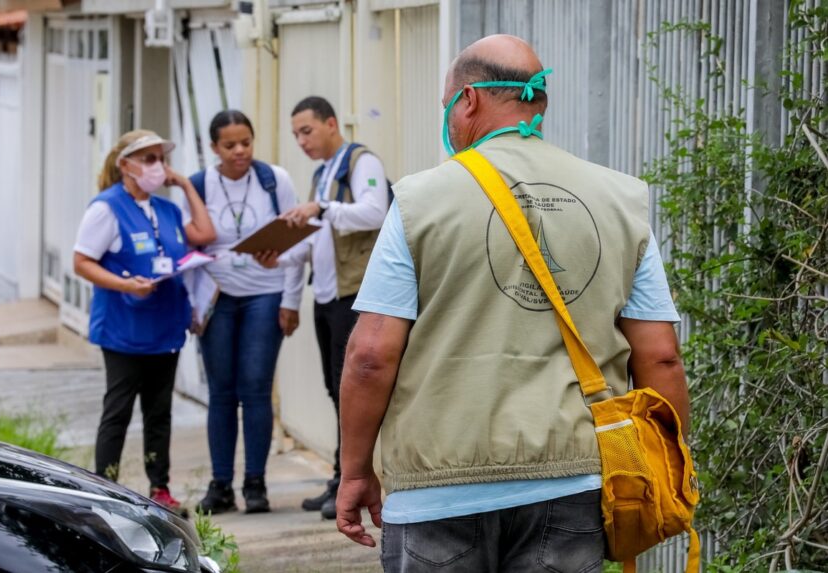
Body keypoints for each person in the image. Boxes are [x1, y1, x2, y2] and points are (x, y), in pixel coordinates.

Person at [335, 35, 692, 572]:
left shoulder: (417, 201)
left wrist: (356, 471)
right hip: (573, 481)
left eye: (448, 107)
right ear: (536, 102)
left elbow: (370, 356)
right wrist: (671, 466)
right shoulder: (621, 198)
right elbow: (661, 356)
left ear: (469, 100)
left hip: (438, 489)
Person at [74, 129, 216, 513]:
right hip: (123, 329)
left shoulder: (166, 209)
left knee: (159, 412)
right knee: (117, 411)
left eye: (162, 159)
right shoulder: (106, 207)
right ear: (126, 165)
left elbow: (205, 233)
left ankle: (160, 488)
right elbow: (81, 261)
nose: (159, 167)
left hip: (164, 329)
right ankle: (103, 487)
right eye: (150, 159)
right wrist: (124, 284)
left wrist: (185, 184)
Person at [262, 96, 390, 519]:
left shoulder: (360, 162)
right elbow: (319, 237)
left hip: (354, 295)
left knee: (351, 389)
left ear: (332, 124)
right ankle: (342, 476)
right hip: (326, 296)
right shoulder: (322, 174)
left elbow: (375, 212)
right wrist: (279, 256)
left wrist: (324, 208)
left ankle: (352, 477)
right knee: (335, 389)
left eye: (307, 130)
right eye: (296, 134)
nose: (301, 141)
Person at [187, 110, 304, 515]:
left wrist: (291, 301)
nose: (240, 152)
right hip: (217, 298)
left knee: (255, 387)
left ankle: (256, 483)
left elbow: (298, 244)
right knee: (221, 392)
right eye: (230, 145)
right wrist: (192, 306)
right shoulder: (200, 185)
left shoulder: (274, 181)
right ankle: (220, 485)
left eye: (246, 143)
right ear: (213, 147)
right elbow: (188, 251)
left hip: (265, 295)